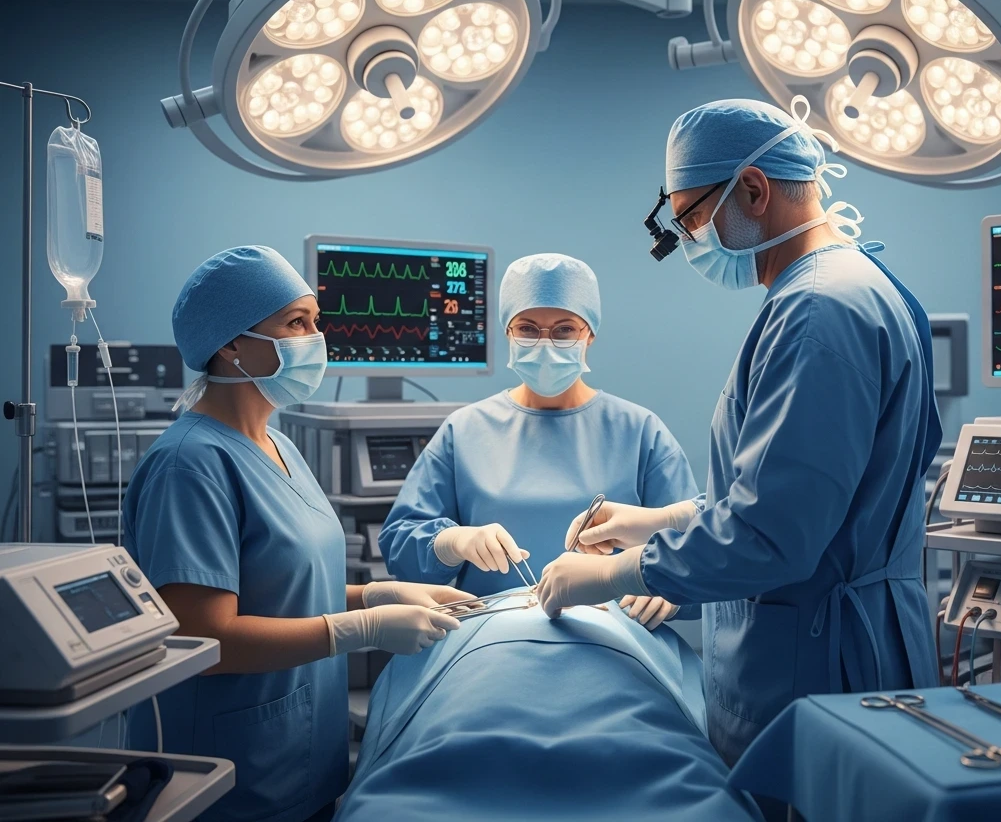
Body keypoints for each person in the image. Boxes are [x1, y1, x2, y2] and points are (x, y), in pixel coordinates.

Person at [536, 98, 943, 765]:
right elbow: (799, 497)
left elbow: (772, 536)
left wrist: (612, 574)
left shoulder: (818, 312)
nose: (689, 239)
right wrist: (659, 521)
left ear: (753, 190)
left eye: (692, 217)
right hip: (829, 651)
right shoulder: (850, 286)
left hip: (819, 670)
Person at [124, 246, 473, 822]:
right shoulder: (190, 464)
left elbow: (285, 590)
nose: (316, 339)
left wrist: (377, 595)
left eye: (315, 321)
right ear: (231, 344)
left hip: (302, 762)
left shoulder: (279, 445)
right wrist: (361, 629)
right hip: (229, 776)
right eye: (295, 323)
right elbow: (202, 638)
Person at [380, 253, 699, 630]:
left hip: (615, 642)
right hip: (488, 642)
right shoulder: (465, 430)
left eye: (564, 330)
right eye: (527, 329)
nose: (545, 343)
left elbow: (705, 548)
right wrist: (451, 543)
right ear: (508, 333)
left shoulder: (640, 431)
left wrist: (669, 589)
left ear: (590, 335)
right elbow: (400, 548)